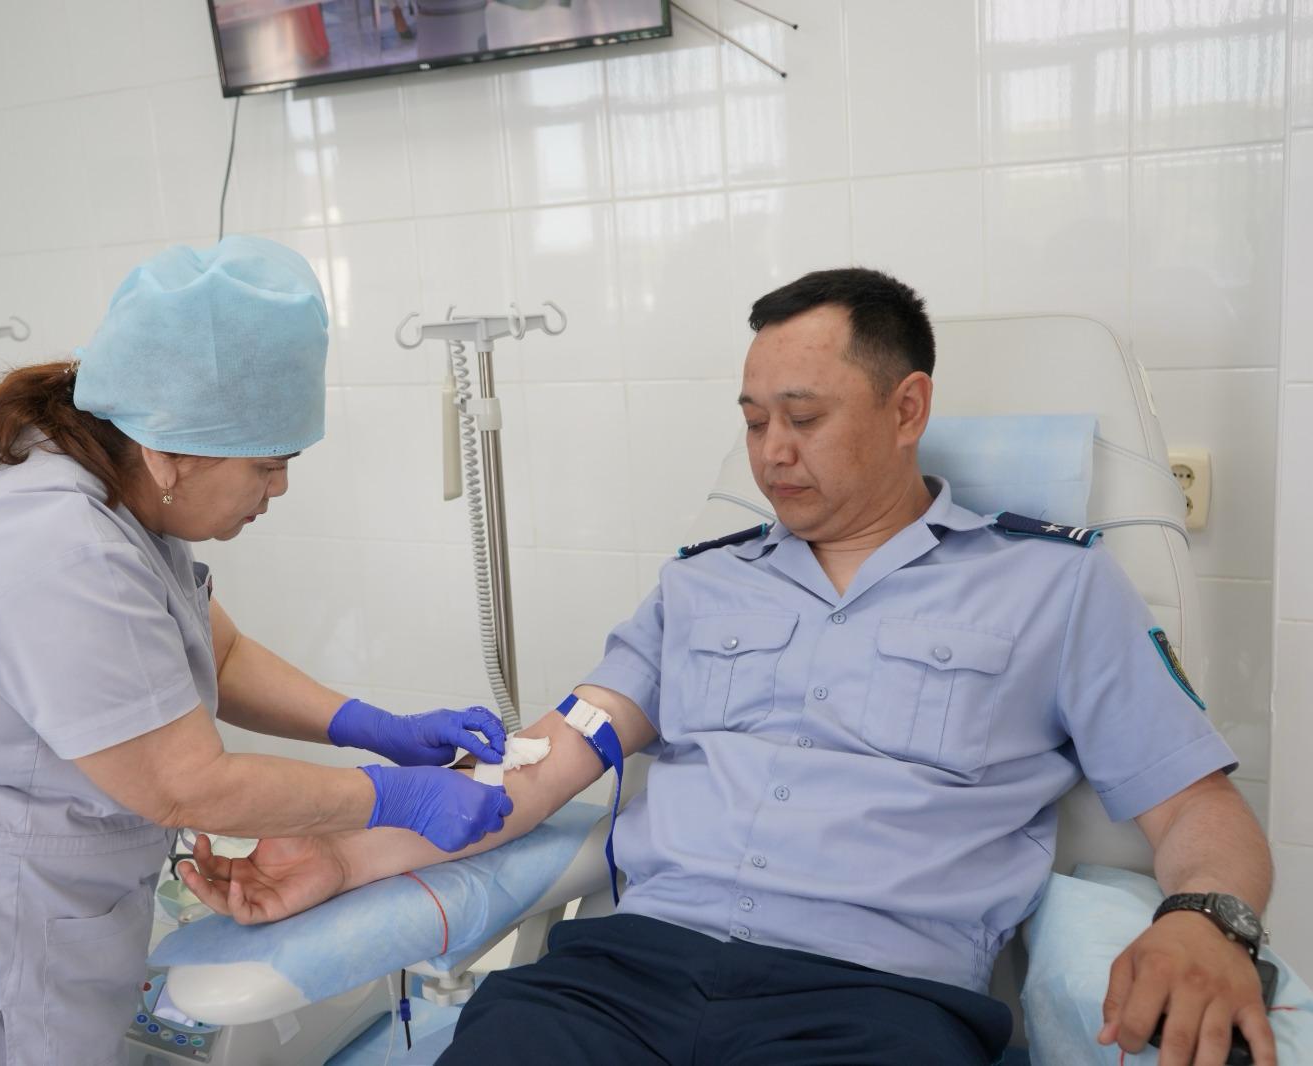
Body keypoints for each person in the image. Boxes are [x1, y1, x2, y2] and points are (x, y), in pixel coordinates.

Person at [182, 268, 1277, 1066]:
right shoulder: (699, 588)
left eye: (804, 418)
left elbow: (1197, 806)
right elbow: (540, 765)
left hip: (872, 1008)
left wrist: (1205, 917)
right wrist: (343, 855)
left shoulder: (1054, 588)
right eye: (753, 422)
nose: (771, 453)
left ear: (907, 409)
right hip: (622, 980)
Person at [0, 237, 513, 1066]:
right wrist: (395, 798)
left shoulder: (112, 474)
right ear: (172, 453)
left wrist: (368, 724)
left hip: (9, 905)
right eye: (268, 465)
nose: (279, 488)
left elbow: (218, 654)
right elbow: (187, 785)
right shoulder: (56, 548)